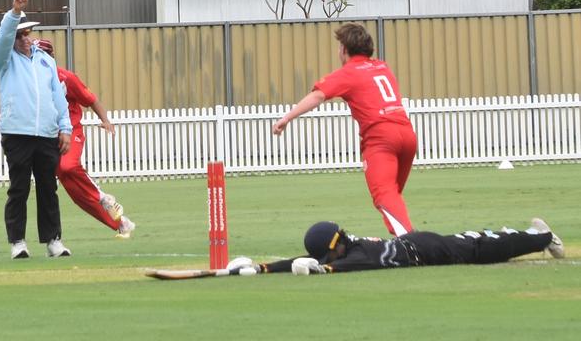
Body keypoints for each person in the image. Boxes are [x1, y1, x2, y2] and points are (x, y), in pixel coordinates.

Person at [0, 39, 135, 239]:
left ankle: (103, 197)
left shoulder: (66, 78)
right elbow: (12, 107)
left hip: (71, 132)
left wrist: (106, 120)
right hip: (47, 139)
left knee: (68, 167)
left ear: (51, 56)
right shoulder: (30, 79)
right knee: (80, 197)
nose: (35, 57)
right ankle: (120, 224)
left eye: (40, 53)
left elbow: (91, 100)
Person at [272, 23, 417, 236]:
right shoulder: (382, 67)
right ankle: (404, 237)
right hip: (407, 134)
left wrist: (286, 118)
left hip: (381, 138)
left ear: (344, 49)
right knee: (392, 194)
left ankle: (411, 241)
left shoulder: (348, 73)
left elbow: (318, 95)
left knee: (384, 194)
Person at [0, 0, 72, 259]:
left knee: (48, 187)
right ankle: (17, 242)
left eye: (28, 33)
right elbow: (1, 38)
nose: (25, 39)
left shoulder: (45, 61)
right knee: (19, 188)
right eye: (20, 35)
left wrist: (65, 129)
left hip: (46, 134)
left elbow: (58, 99)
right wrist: (15, 11)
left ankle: (53, 240)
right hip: (17, 133)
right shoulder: (4, 59)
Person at [227, 217, 565, 276]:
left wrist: (322, 269)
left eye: (330, 255)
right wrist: (261, 267)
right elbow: (308, 259)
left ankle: (546, 238)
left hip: (431, 249)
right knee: (480, 240)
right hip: (417, 245)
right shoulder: (347, 248)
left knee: (487, 248)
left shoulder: (356, 255)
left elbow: (340, 266)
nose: (332, 257)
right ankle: (533, 235)